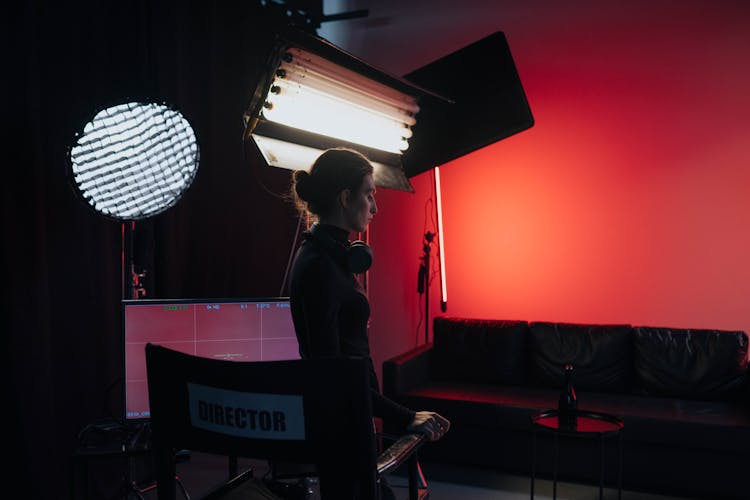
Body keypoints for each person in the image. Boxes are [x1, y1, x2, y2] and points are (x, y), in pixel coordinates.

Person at [288, 147, 450, 498]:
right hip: (341, 427)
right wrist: (406, 416)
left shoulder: (329, 256)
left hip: (354, 416)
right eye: (369, 194)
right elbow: (334, 373)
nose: (375, 207)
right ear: (346, 198)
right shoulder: (319, 266)